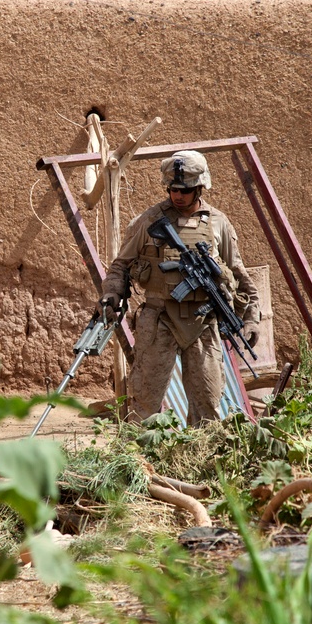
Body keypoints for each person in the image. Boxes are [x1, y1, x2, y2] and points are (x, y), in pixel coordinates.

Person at [100, 150, 261, 426]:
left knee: (208, 406)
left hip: (202, 321)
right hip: (159, 319)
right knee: (144, 404)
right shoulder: (148, 221)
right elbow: (120, 266)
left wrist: (251, 318)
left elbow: (238, 274)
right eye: (173, 189)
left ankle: (201, 462)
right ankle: (139, 461)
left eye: (185, 190)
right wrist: (112, 294)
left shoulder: (218, 222)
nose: (178, 196)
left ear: (200, 187)